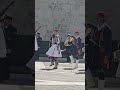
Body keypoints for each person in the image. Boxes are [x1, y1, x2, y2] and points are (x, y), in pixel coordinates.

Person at [91, 11, 112, 90]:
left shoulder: (107, 29)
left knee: (102, 71)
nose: (97, 20)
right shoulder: (96, 28)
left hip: (103, 53)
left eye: (99, 18)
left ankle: (101, 88)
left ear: (102, 18)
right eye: (97, 18)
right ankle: (100, 87)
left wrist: (107, 56)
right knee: (98, 70)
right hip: (96, 52)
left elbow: (109, 44)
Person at [1, 15, 17, 81]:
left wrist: (10, 48)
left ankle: (6, 76)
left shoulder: (12, 29)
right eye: (5, 20)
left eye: (7, 20)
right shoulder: (2, 28)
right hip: (2, 47)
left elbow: (13, 39)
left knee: (6, 63)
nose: (6, 21)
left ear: (10, 21)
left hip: (8, 48)